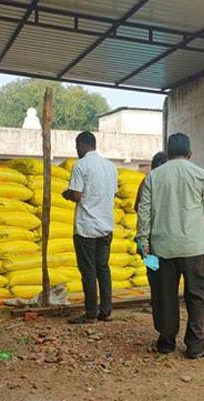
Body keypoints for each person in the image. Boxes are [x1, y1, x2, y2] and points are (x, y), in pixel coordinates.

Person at [136, 133, 204, 359]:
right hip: (195, 247)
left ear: (168, 152)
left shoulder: (153, 177)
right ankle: (195, 345)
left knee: (164, 295)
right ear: (190, 153)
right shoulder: (201, 175)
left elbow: (144, 212)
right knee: (198, 295)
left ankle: (166, 341)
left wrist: (144, 243)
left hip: (161, 249)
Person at [62, 131, 118, 324]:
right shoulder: (111, 167)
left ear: (82, 145)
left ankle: (91, 313)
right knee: (103, 268)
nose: (76, 150)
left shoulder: (81, 165)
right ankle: (106, 311)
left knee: (88, 270)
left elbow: (77, 195)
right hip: (106, 226)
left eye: (77, 146)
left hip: (87, 227)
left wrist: (66, 193)